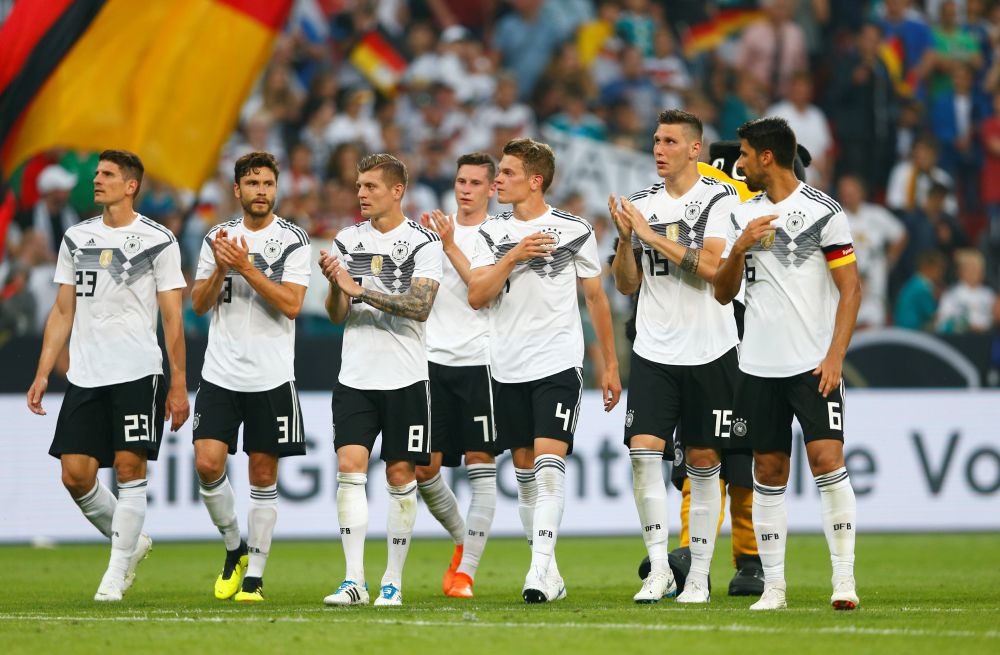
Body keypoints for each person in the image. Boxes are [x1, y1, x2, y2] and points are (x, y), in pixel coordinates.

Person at [26, 149, 189, 600]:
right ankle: (131, 542)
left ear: (131, 185)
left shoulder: (159, 240)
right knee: (75, 475)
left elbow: (173, 318)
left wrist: (178, 381)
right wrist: (42, 372)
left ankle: (115, 573)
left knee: (129, 467)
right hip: (86, 372)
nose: (97, 180)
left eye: (108, 174)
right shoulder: (76, 238)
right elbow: (62, 310)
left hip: (138, 370)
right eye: (97, 173)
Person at [714, 117, 862, 611]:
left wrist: (835, 355)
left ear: (767, 158)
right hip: (756, 366)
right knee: (769, 468)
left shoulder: (824, 211)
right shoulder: (738, 216)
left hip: (812, 365)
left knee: (827, 461)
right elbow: (722, 291)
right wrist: (739, 248)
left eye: (743, 154)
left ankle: (843, 580)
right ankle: (774, 587)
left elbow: (851, 290)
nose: (737, 162)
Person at [467, 138, 622, 603]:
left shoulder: (573, 229)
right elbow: (478, 295)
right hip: (506, 364)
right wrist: (514, 255)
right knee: (525, 473)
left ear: (535, 181)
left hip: (557, 361)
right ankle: (549, 571)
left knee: (550, 465)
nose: (497, 180)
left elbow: (596, 298)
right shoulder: (491, 233)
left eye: (507, 173)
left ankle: (536, 573)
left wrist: (610, 365)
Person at [609, 109, 742, 604]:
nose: (658, 149)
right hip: (654, 348)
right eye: (655, 140)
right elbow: (626, 283)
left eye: (669, 141)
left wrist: (648, 235)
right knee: (643, 453)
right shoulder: (640, 204)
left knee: (705, 460)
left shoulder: (720, 199)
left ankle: (700, 574)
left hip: (710, 347)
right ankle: (660, 568)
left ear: (694, 149)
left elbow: (712, 267)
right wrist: (625, 240)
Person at [319, 153, 443, 607]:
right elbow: (337, 314)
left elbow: (421, 306)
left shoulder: (423, 243)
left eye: (371, 186)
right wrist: (335, 286)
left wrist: (362, 290)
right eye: (359, 186)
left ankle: (392, 580)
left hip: (406, 377)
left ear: (397, 191)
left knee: (399, 474)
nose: (361, 194)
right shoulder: (347, 240)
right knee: (349, 468)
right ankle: (354, 580)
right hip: (355, 374)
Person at [189, 152, 311, 602]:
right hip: (220, 372)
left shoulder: (293, 240)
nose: (261, 191)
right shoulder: (216, 239)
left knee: (262, 475)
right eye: (252, 183)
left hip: (272, 376)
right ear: (237, 190)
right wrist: (222, 265)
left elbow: (293, 305)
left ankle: (255, 579)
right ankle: (234, 547)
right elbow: (199, 305)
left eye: (267, 183)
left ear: (276, 190)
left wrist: (245, 267)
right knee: (207, 464)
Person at [415, 153, 500, 599]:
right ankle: (464, 540)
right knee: (423, 468)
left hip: (480, 362)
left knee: (480, 465)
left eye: (474, 183)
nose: (465, 188)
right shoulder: (428, 231)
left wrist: (450, 245)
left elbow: (480, 295)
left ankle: (465, 572)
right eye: (460, 180)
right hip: (430, 362)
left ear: (491, 189)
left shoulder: (497, 234)